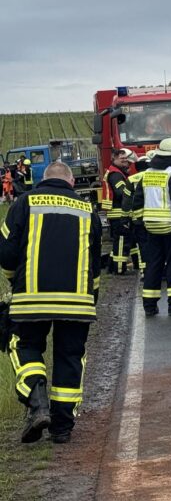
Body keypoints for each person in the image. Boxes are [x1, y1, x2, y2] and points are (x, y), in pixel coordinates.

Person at [0, 162, 101, 444]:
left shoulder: (23, 202)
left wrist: (13, 281)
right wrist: (92, 297)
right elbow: (95, 263)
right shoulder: (87, 209)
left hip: (31, 299)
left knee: (23, 345)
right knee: (70, 356)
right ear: (71, 183)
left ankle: (37, 401)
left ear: (43, 180)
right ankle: (62, 428)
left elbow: (6, 252)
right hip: (77, 301)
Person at [131, 136, 171, 316]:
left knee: (153, 265)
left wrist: (139, 223)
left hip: (150, 227)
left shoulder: (147, 174)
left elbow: (138, 201)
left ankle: (149, 306)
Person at [102, 148, 136, 274]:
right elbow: (121, 192)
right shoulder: (115, 175)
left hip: (118, 213)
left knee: (121, 242)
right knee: (122, 242)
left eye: (126, 158)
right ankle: (119, 269)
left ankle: (112, 267)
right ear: (114, 158)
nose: (125, 161)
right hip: (118, 214)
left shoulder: (118, 172)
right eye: (122, 159)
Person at [121, 152, 154, 277]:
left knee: (143, 246)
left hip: (138, 220)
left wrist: (124, 218)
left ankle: (145, 272)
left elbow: (127, 201)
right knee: (157, 244)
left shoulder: (131, 179)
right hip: (157, 217)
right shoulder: (157, 176)